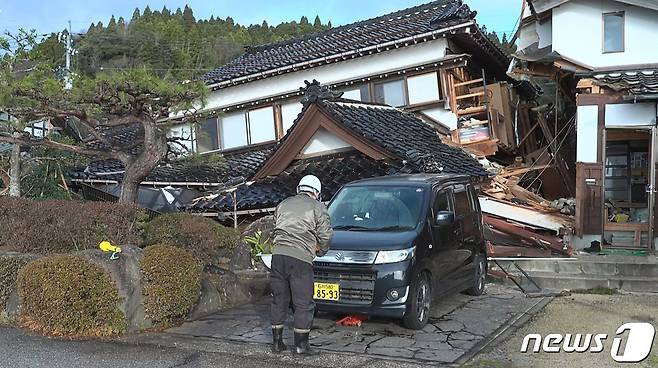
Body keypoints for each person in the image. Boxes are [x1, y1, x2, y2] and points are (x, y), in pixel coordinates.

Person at [270, 174, 333, 356]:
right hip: (300, 259)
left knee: (278, 300)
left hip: (278, 256)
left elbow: (276, 227)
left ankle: (277, 343)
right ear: (316, 192)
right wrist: (320, 251)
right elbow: (326, 236)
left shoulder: (283, 204)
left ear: (299, 189)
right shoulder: (317, 207)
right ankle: (301, 346)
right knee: (303, 303)